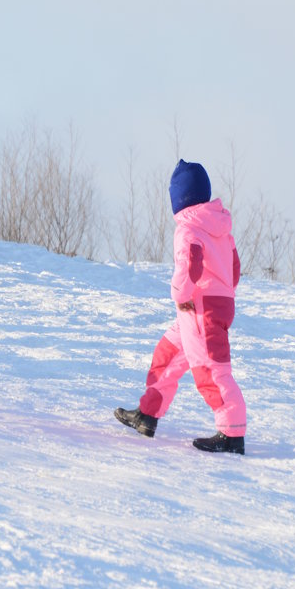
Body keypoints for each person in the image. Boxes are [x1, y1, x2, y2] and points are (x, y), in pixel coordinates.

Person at [116, 160, 247, 454]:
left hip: (198, 307)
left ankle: (232, 432)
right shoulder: (222, 228)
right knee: (168, 355)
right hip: (213, 304)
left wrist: (179, 294)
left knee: (210, 369)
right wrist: (223, 292)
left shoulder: (188, 229)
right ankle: (147, 414)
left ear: (178, 199)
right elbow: (235, 268)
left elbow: (190, 267)